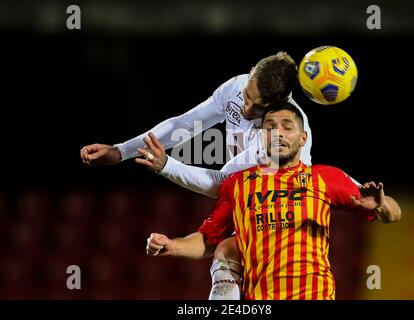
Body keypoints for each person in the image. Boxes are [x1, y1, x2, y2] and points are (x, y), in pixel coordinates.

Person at [80, 52, 312, 299]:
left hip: (285, 210)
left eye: (258, 108)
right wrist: (120, 151)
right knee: (224, 255)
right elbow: (186, 124)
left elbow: (223, 183)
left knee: (229, 254)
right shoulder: (236, 86)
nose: (246, 110)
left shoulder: (283, 132)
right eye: (246, 98)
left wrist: (166, 165)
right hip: (247, 200)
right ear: (251, 72)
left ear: (282, 102)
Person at [146, 101, 401, 300]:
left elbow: (393, 215)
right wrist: (173, 245)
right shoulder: (238, 184)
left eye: (287, 126)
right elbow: (208, 240)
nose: (278, 133)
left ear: (302, 139)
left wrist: (382, 205)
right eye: (270, 127)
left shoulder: (324, 178)